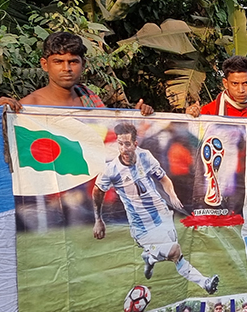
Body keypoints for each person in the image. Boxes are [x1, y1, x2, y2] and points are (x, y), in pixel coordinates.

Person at [93, 122, 220, 293]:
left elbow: (164, 179)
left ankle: (150, 257)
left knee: (175, 254)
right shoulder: (112, 169)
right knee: (175, 252)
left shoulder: (145, 156)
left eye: (127, 144)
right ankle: (205, 282)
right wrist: (98, 219)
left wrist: (172, 196)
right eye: (120, 144)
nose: (123, 148)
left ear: (135, 144)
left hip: (161, 214)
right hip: (141, 225)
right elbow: (97, 191)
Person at [21, 31, 153, 113]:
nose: (66, 68)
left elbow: (110, 136)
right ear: (45, 64)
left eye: (73, 62)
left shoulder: (88, 98)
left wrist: (137, 119)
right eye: (58, 62)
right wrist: (1, 108)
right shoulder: (29, 106)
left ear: (83, 64)